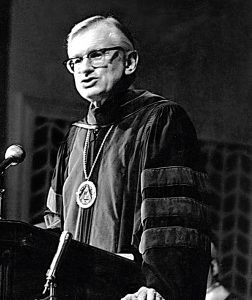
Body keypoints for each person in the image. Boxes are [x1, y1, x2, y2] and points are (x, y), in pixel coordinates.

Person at [45, 15, 211, 300]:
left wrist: (158, 287)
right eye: (75, 61)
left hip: (132, 292)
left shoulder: (160, 120)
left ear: (129, 62)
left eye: (96, 55)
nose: (84, 69)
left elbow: (174, 223)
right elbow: (54, 222)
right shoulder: (74, 137)